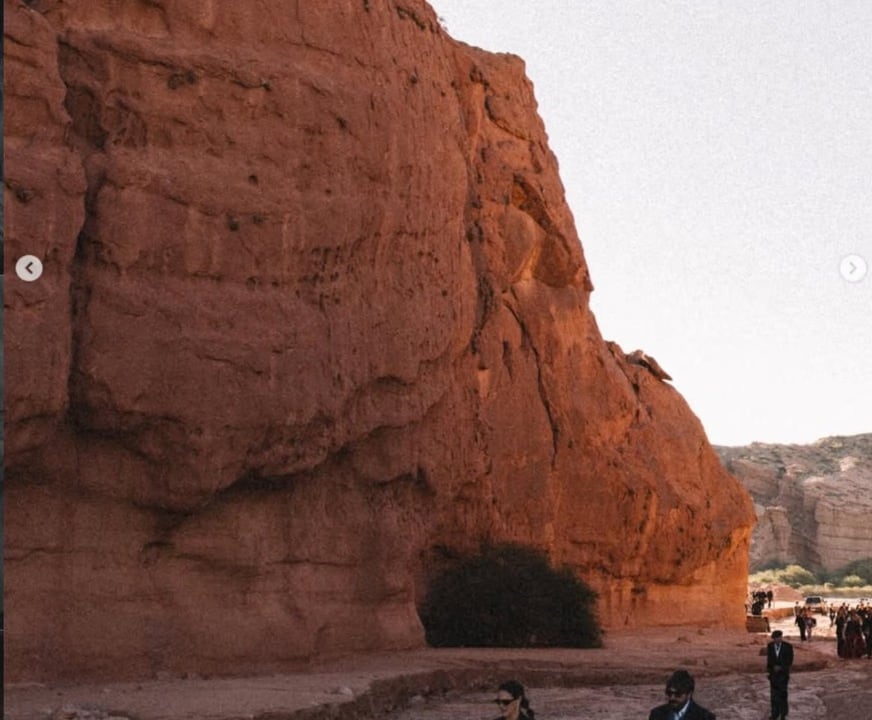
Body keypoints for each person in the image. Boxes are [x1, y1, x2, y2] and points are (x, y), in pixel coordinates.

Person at [648, 669, 716, 720]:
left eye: (678, 694)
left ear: (689, 694)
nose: (672, 697)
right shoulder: (656, 714)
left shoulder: (704, 717)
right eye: (669, 693)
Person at [766, 629, 794, 720]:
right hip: (773, 674)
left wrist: (781, 667)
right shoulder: (770, 646)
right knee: (774, 695)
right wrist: (770, 671)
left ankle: (783, 714)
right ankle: (774, 713)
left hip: (783, 674)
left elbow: (789, 660)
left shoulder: (788, 647)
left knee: (782, 694)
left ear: (780, 638)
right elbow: (769, 659)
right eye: (774, 639)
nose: (776, 640)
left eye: (777, 638)